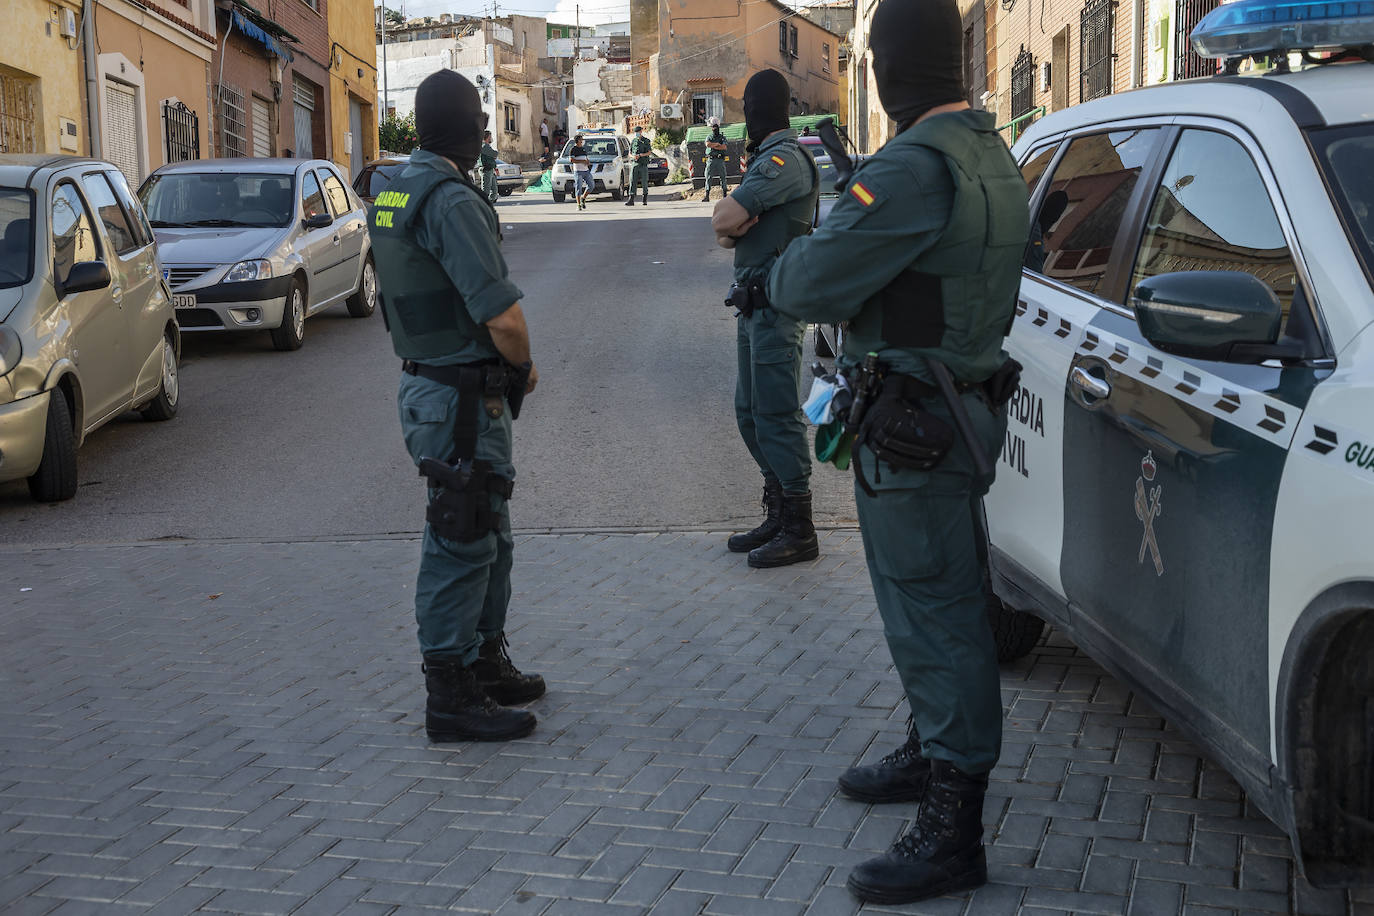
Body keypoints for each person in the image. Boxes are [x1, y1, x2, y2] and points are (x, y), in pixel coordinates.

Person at [764, 0, 1030, 903]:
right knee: (934, 601)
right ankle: (931, 750)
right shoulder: (989, 149)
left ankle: (952, 827)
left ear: (886, 69)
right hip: (954, 412)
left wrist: (828, 225)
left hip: (918, 425)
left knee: (938, 611)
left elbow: (803, 281)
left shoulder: (914, 167)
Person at [367, 70, 545, 745]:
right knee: (461, 537)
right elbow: (501, 315)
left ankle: (482, 664)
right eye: (481, 121)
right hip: (460, 396)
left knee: (486, 531)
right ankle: (451, 693)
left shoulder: (394, 187)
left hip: (434, 386)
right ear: (472, 128)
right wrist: (522, 366)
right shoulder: (450, 199)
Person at [710, 69, 820, 569]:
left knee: (777, 413)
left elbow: (724, 221)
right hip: (751, 304)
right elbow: (724, 230)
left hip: (776, 306)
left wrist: (737, 221)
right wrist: (736, 222)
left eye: (751, 107)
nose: (747, 116)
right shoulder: (762, 163)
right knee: (749, 412)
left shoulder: (783, 160)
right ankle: (777, 509)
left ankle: (800, 526)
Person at [703, 117, 730, 202]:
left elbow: (724, 147)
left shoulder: (722, 137)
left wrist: (714, 145)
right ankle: (707, 195)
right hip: (710, 159)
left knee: (723, 177)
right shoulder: (709, 136)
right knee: (708, 177)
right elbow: (708, 144)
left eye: (715, 127)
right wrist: (717, 144)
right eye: (713, 127)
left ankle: (725, 195)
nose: (714, 129)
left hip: (720, 159)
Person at [626, 125, 652, 207]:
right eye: (636, 132)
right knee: (632, 181)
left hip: (643, 164)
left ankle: (644, 198)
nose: (637, 133)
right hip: (635, 163)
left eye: (638, 132)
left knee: (644, 182)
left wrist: (641, 155)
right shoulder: (633, 141)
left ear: (641, 131)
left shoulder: (646, 141)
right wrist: (633, 156)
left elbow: (649, 152)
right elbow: (629, 153)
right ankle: (631, 199)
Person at [569, 133, 593, 210]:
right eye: (581, 139)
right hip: (578, 171)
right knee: (578, 187)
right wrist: (582, 161)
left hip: (586, 171)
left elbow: (586, 158)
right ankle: (578, 204)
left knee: (591, 185)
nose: (582, 141)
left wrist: (587, 162)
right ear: (578, 140)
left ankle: (583, 197)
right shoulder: (573, 149)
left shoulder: (583, 149)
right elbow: (572, 160)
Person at [479, 130, 499, 204]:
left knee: (494, 190)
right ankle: (483, 204)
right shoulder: (484, 146)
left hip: (490, 169)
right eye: (490, 136)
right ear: (487, 137)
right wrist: (494, 155)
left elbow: (493, 156)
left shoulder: (487, 146)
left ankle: (489, 204)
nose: (491, 138)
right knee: (486, 190)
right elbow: (495, 154)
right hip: (486, 169)